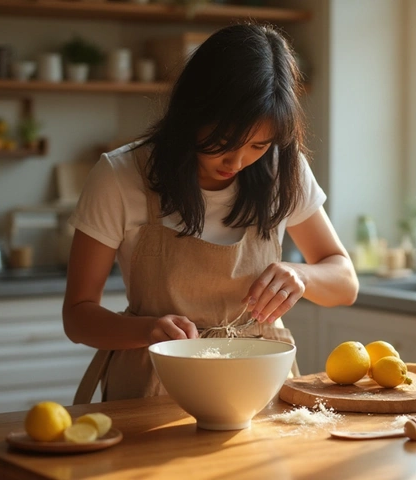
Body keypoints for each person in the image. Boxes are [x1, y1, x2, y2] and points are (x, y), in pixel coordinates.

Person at [63, 23, 359, 403]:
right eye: (223, 141)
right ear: (193, 112)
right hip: (153, 388)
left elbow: (345, 282)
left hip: (260, 388)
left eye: (258, 144)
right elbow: (77, 315)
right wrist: (146, 330)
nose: (236, 161)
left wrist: (301, 275)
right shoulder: (120, 176)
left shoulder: (282, 169)